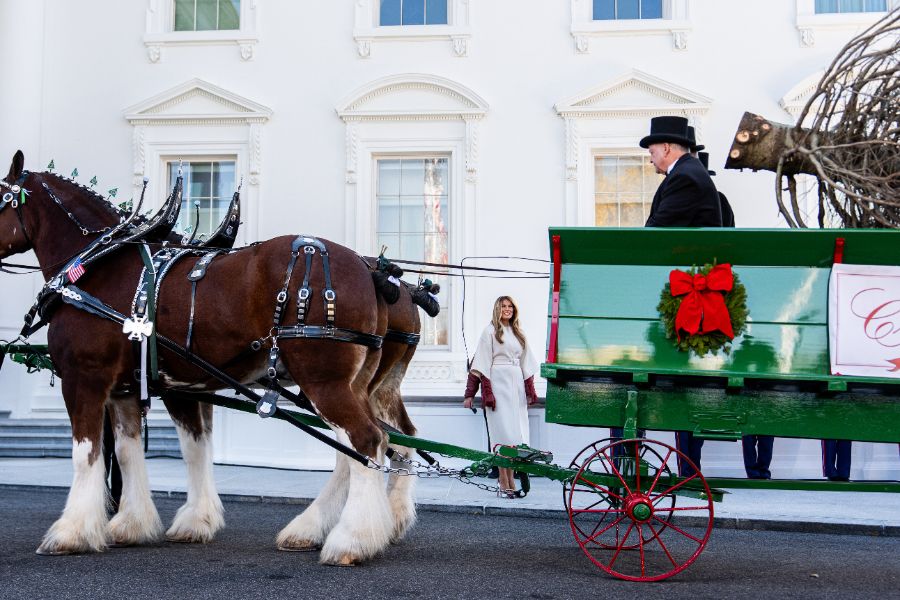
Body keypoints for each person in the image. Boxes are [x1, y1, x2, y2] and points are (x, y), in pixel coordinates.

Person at [641, 116, 722, 476]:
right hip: (690, 289)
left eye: (652, 151)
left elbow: (657, 233)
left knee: (685, 387)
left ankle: (689, 470)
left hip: (690, 297)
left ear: (668, 148)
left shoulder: (686, 177)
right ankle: (688, 467)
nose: (650, 158)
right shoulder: (687, 174)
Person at [464, 296, 538, 498]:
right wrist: (469, 394)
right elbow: (479, 365)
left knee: (515, 436)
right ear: (497, 309)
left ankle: (511, 479)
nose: (507, 309)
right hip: (497, 384)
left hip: (516, 387)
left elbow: (527, 364)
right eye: (503, 306)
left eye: (510, 306)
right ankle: (503, 481)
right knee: (501, 434)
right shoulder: (489, 332)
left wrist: (530, 391)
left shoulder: (518, 332)